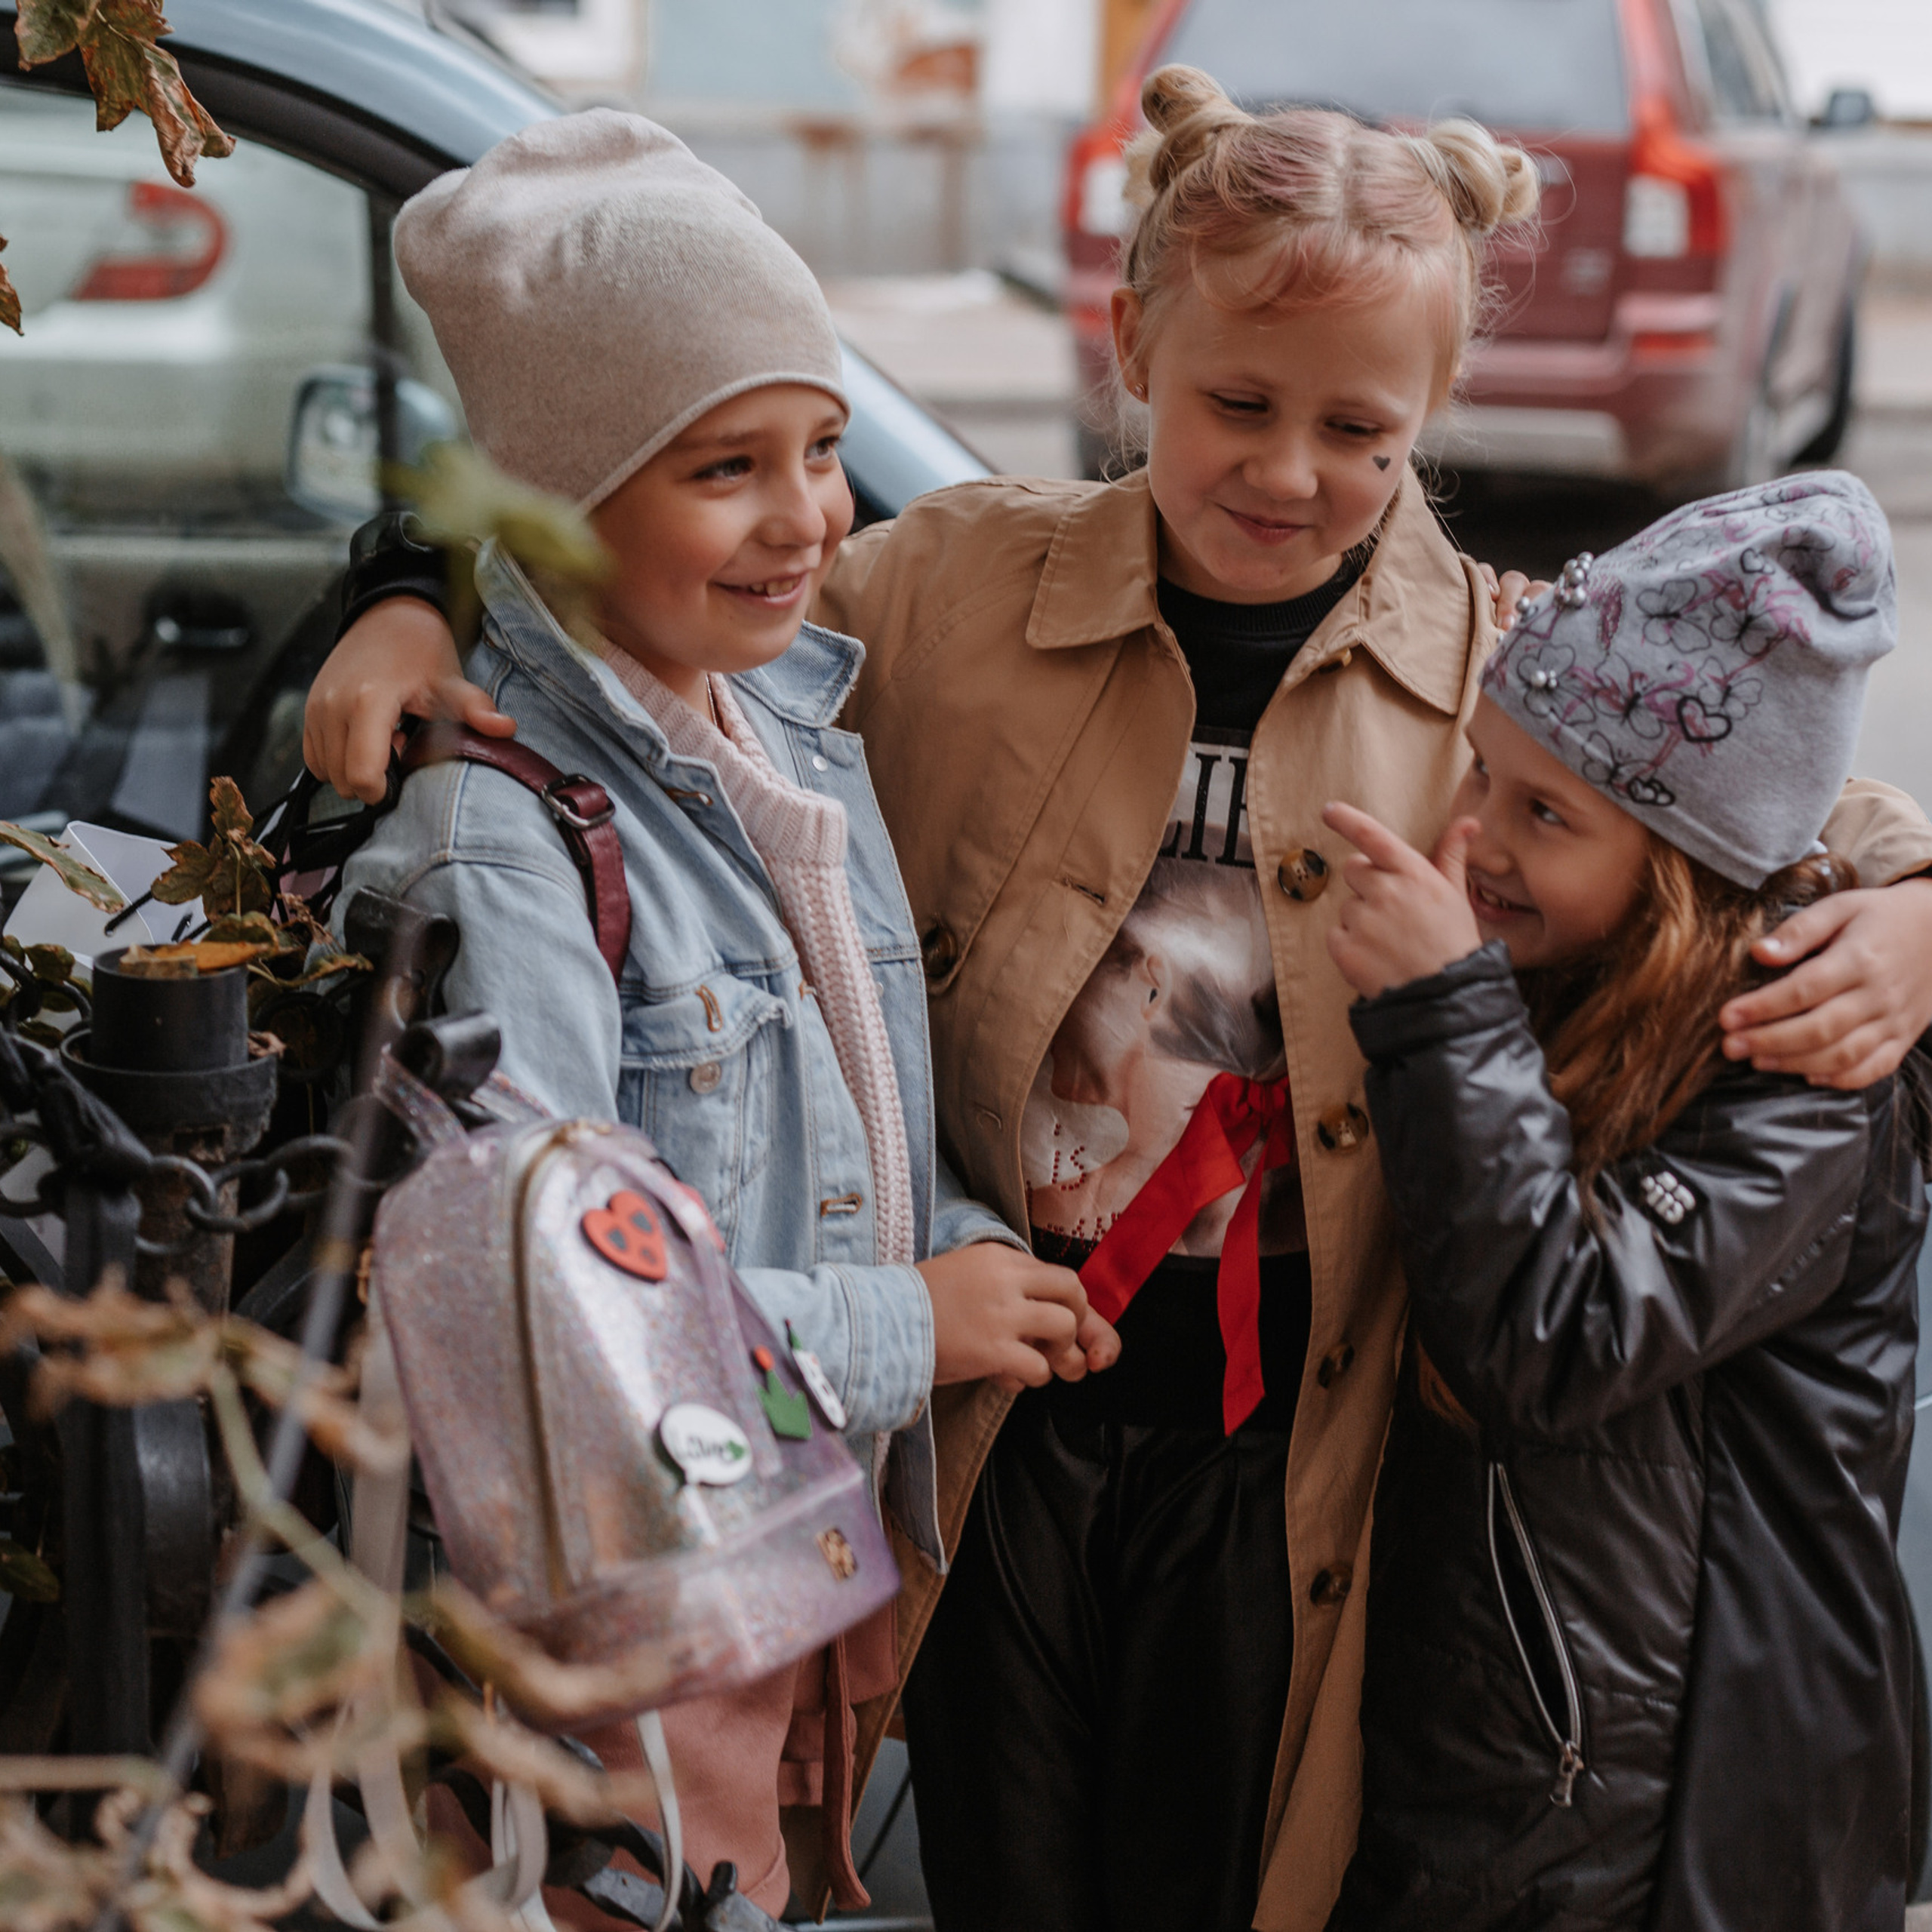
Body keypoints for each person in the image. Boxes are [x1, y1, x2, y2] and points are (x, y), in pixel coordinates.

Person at [303, 69, 1932, 1931]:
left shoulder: (1496, 656)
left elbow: (1751, 811)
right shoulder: (943, 589)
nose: (1291, 470)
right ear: (1131, 341)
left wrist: (1912, 901)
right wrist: (406, 593)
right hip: (999, 1418)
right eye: (1237, 402)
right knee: (995, 1862)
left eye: (1360, 433)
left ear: (1425, 426)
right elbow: (640, 540)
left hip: (1284, 1466)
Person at [337, 111, 1115, 1924]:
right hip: (616, 1631)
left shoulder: (764, 735)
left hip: (760, 1567)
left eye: (826, 446)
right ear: (559, 501)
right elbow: (556, 1332)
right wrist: (902, 1321)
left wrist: (978, 1250)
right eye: (724, 469)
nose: (809, 520)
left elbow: (806, 1139)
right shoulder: (503, 847)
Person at [1321, 472, 1927, 1932]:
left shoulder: (1795, 1060)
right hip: (1542, 1755)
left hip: (1664, 1808)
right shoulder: (1579, 977)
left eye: (1545, 811)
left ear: (1687, 866)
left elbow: (1565, 1331)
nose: (1478, 837)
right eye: (1481, 775)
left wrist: (1444, 1013)